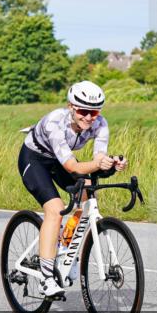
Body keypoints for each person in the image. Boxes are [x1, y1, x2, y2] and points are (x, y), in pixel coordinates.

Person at [17, 80, 128, 297]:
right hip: (35, 159)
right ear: (71, 107)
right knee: (55, 209)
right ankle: (47, 279)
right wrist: (99, 164)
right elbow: (72, 167)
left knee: (87, 192)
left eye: (94, 112)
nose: (89, 117)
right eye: (83, 111)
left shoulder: (100, 124)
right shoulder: (55, 122)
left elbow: (98, 158)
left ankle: (67, 248)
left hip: (59, 159)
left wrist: (112, 163)